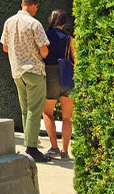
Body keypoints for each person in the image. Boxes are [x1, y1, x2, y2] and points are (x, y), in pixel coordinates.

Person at [1, 0, 51, 163]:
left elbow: (5, 48)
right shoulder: (34, 23)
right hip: (34, 71)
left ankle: (29, 144)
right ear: (34, 6)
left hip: (17, 71)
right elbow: (44, 51)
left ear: (22, 4)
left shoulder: (9, 21)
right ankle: (31, 148)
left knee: (25, 108)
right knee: (35, 110)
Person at [42, 9, 75, 160]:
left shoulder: (46, 36)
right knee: (67, 117)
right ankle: (64, 151)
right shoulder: (69, 39)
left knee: (47, 113)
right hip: (67, 77)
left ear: (51, 20)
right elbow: (75, 57)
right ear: (64, 22)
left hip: (51, 76)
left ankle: (54, 147)